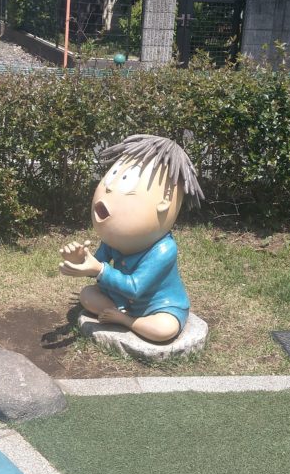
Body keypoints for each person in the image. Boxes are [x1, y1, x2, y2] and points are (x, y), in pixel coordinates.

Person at [58, 134, 204, 343]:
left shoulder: (164, 250)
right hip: (120, 298)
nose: (108, 190)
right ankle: (120, 312)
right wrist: (81, 260)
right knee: (87, 295)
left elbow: (134, 288)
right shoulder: (113, 240)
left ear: (165, 200)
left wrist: (99, 270)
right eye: (112, 176)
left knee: (165, 329)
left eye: (125, 180)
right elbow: (97, 266)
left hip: (158, 305)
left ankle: (127, 321)